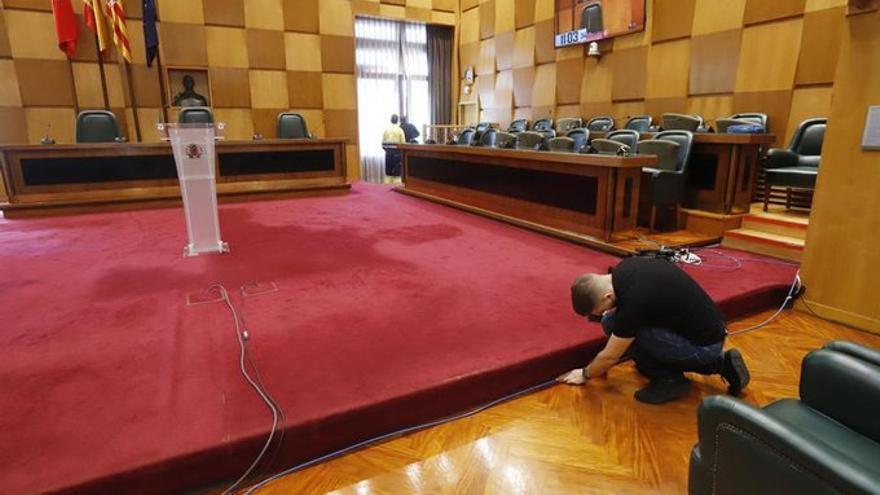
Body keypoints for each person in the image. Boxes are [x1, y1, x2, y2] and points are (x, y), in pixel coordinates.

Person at [557, 256, 750, 404]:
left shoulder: (634, 303)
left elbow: (610, 356)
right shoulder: (627, 267)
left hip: (703, 347)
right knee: (612, 322)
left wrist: (585, 373)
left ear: (607, 296)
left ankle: (669, 380)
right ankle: (721, 364)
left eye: (601, 309)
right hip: (708, 333)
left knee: (622, 329)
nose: (603, 312)